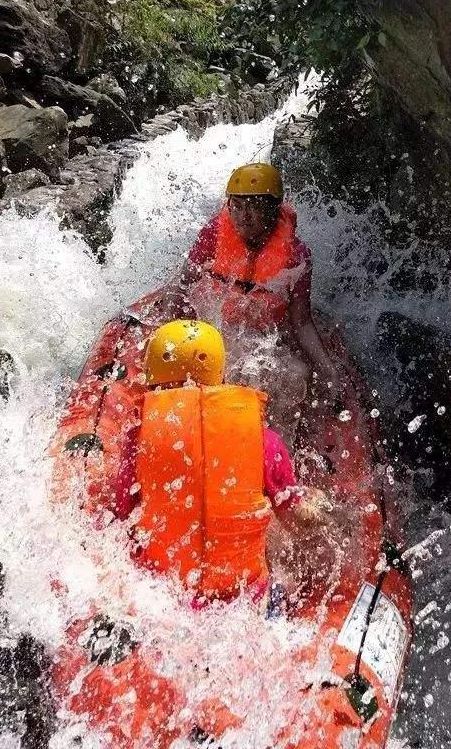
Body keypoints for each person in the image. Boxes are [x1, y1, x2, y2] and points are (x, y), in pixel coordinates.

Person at [109, 319, 333, 609]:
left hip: (163, 599)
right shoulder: (263, 440)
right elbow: (295, 517)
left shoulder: (139, 438)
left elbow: (122, 512)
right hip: (241, 603)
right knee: (282, 569)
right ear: (221, 377)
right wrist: (321, 508)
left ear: (150, 379)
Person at [163, 162, 338, 391]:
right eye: (237, 206)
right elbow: (180, 285)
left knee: (299, 373)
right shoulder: (213, 235)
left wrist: (328, 369)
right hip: (213, 327)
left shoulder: (297, 257)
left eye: (254, 206)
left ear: (274, 209)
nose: (244, 216)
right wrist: (168, 333)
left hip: (260, 335)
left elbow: (301, 321)